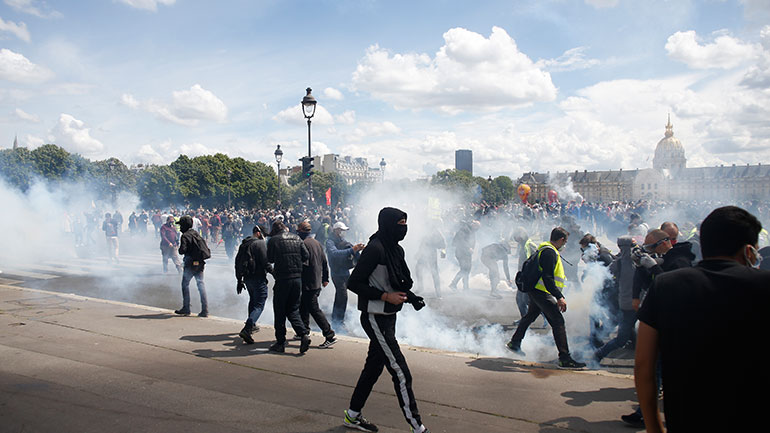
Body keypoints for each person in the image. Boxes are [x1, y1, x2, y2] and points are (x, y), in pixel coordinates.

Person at [635, 206, 768, 432]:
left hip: (689, 419)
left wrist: (654, 428)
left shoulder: (666, 285)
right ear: (749, 250)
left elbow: (643, 365)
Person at [344, 207, 430, 433]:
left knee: (373, 368)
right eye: (400, 223)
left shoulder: (395, 250)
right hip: (375, 317)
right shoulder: (374, 249)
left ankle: (352, 415)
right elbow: (354, 283)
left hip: (389, 316)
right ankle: (418, 427)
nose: (404, 228)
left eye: (405, 223)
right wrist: (385, 296)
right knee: (401, 372)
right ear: (389, 224)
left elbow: (397, 280)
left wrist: (410, 298)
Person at [505, 227, 586, 369]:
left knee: (529, 316)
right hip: (542, 292)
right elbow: (548, 278)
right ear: (561, 240)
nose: (565, 245)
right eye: (565, 242)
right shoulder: (549, 252)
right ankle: (565, 358)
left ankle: (515, 343)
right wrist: (559, 297)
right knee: (558, 322)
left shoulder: (546, 249)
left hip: (537, 291)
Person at [266, 220, 311, 354]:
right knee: (293, 309)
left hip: (283, 279)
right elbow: (306, 255)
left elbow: (270, 259)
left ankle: (280, 343)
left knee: (280, 311)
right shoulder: (297, 238)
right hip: (297, 278)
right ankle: (303, 334)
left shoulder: (274, 240)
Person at [594, 235, 637, 362]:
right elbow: (605, 275)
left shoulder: (634, 260)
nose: (636, 248)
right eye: (632, 246)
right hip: (628, 304)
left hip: (638, 303)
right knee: (622, 337)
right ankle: (599, 354)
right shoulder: (618, 263)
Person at [297, 221, 336, 348]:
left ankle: (329, 334)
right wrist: (325, 278)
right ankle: (304, 331)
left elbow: (303, 264)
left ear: (302, 231)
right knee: (304, 306)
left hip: (308, 282)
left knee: (313, 308)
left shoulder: (303, 244)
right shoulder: (317, 243)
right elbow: (325, 262)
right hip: (315, 281)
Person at [235, 225, 272, 344]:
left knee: (253, 300)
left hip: (247, 278)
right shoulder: (259, 244)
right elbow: (266, 262)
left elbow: (237, 262)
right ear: (259, 233)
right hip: (258, 277)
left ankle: (252, 324)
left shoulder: (244, 243)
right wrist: (276, 274)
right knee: (259, 304)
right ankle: (247, 328)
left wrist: (239, 280)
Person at [579, 234, 617, 348]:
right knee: (594, 314)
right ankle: (595, 339)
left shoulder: (604, 256)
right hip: (600, 289)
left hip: (609, 291)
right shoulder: (596, 255)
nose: (583, 251)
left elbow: (610, 275)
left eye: (584, 248)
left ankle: (599, 337)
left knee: (612, 317)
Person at [326, 221, 364, 330]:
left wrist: (361, 251)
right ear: (336, 230)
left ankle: (339, 318)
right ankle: (337, 322)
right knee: (342, 295)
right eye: (342, 230)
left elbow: (355, 253)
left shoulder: (344, 241)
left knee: (344, 295)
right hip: (337, 273)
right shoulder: (330, 242)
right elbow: (334, 254)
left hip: (345, 272)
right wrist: (352, 249)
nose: (344, 233)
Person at [175, 215, 209, 317]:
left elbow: (182, 251)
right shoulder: (196, 233)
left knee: (185, 285)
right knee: (201, 285)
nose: (180, 227)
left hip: (190, 265)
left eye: (181, 225)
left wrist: (179, 247)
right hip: (200, 263)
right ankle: (205, 310)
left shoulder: (185, 236)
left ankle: (186, 308)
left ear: (185, 225)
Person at [513, 228, 539, 323]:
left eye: (517, 237)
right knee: (520, 299)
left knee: (528, 300)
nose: (516, 240)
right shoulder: (523, 244)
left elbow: (533, 261)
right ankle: (524, 319)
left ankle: (546, 316)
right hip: (524, 276)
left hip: (529, 277)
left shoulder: (530, 245)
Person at [413, 224, 446, 298]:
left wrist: (443, 253)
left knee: (434, 273)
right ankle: (420, 287)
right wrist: (418, 253)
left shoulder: (437, 233)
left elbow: (443, 245)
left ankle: (438, 292)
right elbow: (422, 244)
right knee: (418, 270)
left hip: (431, 255)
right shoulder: (426, 233)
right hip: (423, 255)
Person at [448, 220, 480, 291]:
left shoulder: (471, 230)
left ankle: (465, 287)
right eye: (477, 227)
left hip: (467, 253)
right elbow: (461, 240)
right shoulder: (464, 229)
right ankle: (454, 284)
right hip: (461, 252)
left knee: (467, 269)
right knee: (464, 269)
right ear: (473, 225)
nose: (477, 229)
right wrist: (468, 248)